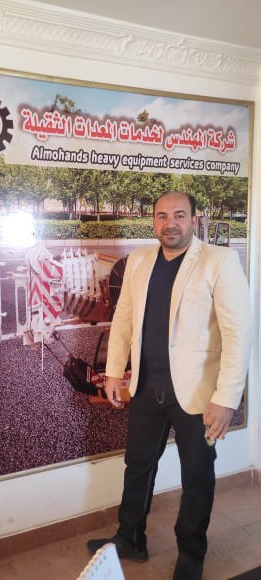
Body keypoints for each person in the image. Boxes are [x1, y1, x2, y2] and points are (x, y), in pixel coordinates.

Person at [87, 192, 253, 580]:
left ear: (194, 220)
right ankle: (130, 538)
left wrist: (226, 399)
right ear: (153, 221)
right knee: (137, 466)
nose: (170, 223)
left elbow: (238, 332)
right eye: (162, 216)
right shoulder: (139, 261)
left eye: (179, 215)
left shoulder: (219, 261)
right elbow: (124, 320)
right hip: (147, 386)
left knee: (196, 475)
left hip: (198, 394)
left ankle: (191, 554)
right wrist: (114, 372)